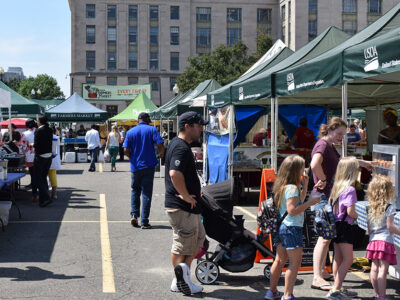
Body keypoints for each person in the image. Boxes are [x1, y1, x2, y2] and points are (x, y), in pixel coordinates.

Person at [311, 117, 373, 290]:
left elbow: (341, 162)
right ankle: (317, 276)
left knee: (326, 237)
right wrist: (322, 179)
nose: (341, 137)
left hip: (327, 196)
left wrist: (364, 163)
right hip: (323, 196)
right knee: (324, 238)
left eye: (343, 135)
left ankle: (322, 271)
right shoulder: (323, 145)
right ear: (330, 130)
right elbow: (314, 164)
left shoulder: (329, 146)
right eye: (339, 134)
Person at [164, 111, 209, 296]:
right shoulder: (181, 148)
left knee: (198, 241)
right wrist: (185, 195)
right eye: (198, 125)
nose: (201, 129)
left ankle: (183, 277)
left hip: (189, 207)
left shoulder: (180, 145)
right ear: (188, 126)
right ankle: (180, 280)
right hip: (182, 207)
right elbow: (174, 174)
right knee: (182, 244)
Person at [265, 155, 320, 300]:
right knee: (294, 264)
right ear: (296, 170)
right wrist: (311, 203)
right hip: (292, 228)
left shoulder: (283, 185)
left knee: (279, 260)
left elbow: (296, 202)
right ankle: (287, 295)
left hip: (282, 227)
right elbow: (292, 210)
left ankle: (272, 291)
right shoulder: (292, 188)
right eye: (303, 167)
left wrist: (306, 186)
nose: (305, 169)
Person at [123, 112, 165, 229]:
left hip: (135, 166)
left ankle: (134, 215)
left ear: (138, 120)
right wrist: (161, 154)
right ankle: (144, 221)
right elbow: (161, 144)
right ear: (146, 119)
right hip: (149, 166)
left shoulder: (130, 132)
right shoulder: (151, 130)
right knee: (146, 193)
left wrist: (132, 157)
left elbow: (126, 149)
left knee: (135, 190)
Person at [327, 157, 359, 300]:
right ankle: (335, 289)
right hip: (346, 226)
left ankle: (337, 287)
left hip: (336, 225)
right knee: (348, 259)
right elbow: (351, 212)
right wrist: (360, 216)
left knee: (337, 258)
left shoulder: (336, 186)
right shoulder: (350, 189)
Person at [366, 175, 400, 300]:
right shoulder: (389, 207)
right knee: (383, 270)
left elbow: (369, 230)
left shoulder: (370, 207)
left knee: (374, 268)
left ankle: (377, 294)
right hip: (385, 241)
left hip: (373, 241)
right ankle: (382, 296)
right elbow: (390, 226)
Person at [33, 115, 53, 207]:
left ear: (40, 121)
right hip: (49, 156)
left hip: (40, 156)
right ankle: (43, 200)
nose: (37, 122)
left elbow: (37, 145)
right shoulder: (50, 130)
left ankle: (47, 197)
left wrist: (32, 145)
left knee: (38, 178)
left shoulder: (38, 131)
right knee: (43, 177)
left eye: (37, 120)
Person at [21, 119, 38, 202]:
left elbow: (23, 146)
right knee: (41, 176)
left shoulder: (24, 134)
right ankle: (43, 194)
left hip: (30, 157)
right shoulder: (39, 131)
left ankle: (35, 195)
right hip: (40, 156)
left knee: (33, 175)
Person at [48, 127, 61, 199]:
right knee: (53, 177)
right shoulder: (57, 137)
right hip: (54, 159)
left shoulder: (48, 138)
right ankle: (54, 193)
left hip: (49, 159)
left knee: (46, 177)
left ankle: (51, 193)